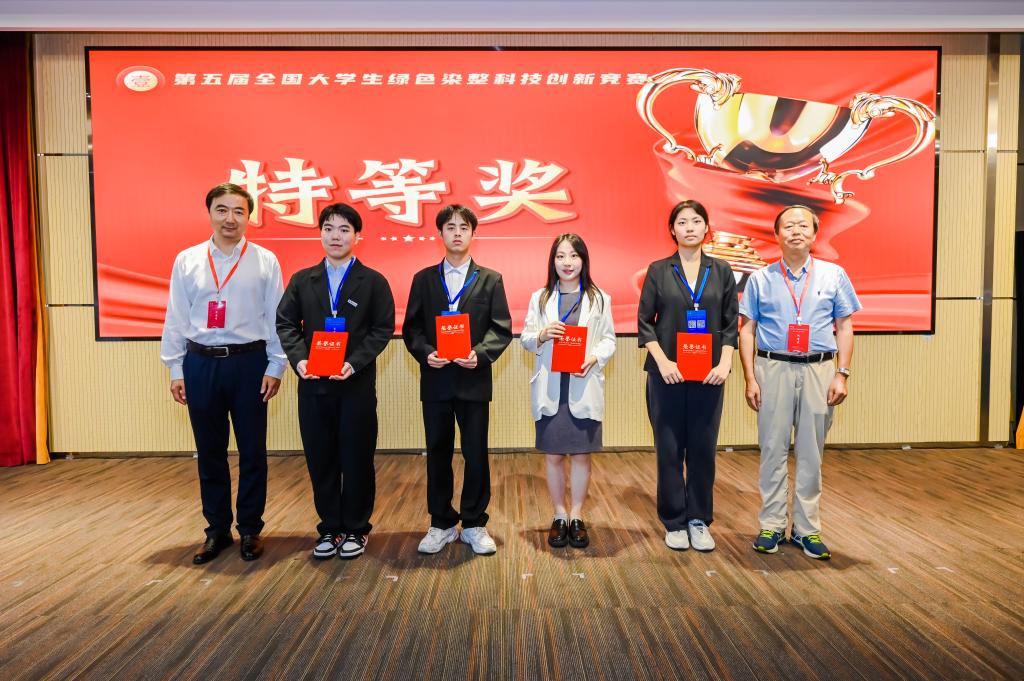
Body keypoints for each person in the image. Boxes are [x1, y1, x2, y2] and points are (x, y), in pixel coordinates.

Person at [160, 182, 287, 564]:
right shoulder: (187, 260)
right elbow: (176, 316)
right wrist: (176, 368)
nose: (230, 218)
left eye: (238, 211)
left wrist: (276, 365)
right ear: (210, 213)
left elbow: (277, 317)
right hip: (200, 363)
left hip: (249, 363)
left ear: (249, 217)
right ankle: (217, 530)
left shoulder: (265, 260)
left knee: (252, 451)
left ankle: (249, 529)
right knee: (209, 451)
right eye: (222, 209)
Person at [739, 204, 861, 560]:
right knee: (772, 450)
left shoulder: (834, 275)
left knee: (811, 452)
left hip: (819, 370)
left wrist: (842, 373)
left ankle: (808, 530)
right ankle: (772, 525)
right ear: (776, 235)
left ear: (815, 234)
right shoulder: (760, 279)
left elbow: (845, 327)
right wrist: (750, 378)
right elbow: (747, 330)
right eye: (788, 226)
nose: (796, 231)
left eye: (803, 226)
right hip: (772, 368)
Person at [276, 203, 395, 560]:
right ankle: (330, 527)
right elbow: (285, 324)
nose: (336, 236)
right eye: (328, 228)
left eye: (344, 229)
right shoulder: (303, 280)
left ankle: (357, 528)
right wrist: (299, 360)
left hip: (354, 384)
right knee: (321, 457)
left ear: (357, 236)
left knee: (357, 457)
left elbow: (382, 329)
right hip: (313, 384)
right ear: (320, 234)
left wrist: (354, 363)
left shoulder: (373, 281)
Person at [402, 204, 513, 555]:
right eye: (450, 227)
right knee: (437, 452)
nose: (457, 233)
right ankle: (442, 524)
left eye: (464, 227)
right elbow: (412, 329)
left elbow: (501, 328)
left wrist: (479, 354)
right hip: (436, 379)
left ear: (473, 234)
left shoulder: (491, 279)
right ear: (440, 234)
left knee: (475, 452)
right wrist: (426, 352)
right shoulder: (423, 279)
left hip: (473, 379)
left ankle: (475, 523)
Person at [638, 200, 738, 552]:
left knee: (702, 450)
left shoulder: (721, 270)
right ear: (672, 230)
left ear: (706, 228)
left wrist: (724, 364)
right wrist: (664, 362)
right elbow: (644, 323)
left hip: (709, 376)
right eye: (682, 222)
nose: (690, 227)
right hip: (667, 376)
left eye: (696, 221)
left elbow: (730, 323)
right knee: (668, 449)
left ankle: (698, 519)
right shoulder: (658, 270)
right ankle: (674, 521)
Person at [521, 234, 616, 549]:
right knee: (553, 455)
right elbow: (525, 338)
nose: (567, 262)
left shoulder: (599, 298)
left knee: (581, 455)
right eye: (560, 256)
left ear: (583, 260)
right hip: (552, 387)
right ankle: (559, 514)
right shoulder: (540, 298)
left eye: (574, 255)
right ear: (553, 261)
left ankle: (576, 515)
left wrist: (595, 358)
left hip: (582, 383)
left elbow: (609, 340)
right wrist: (542, 334)